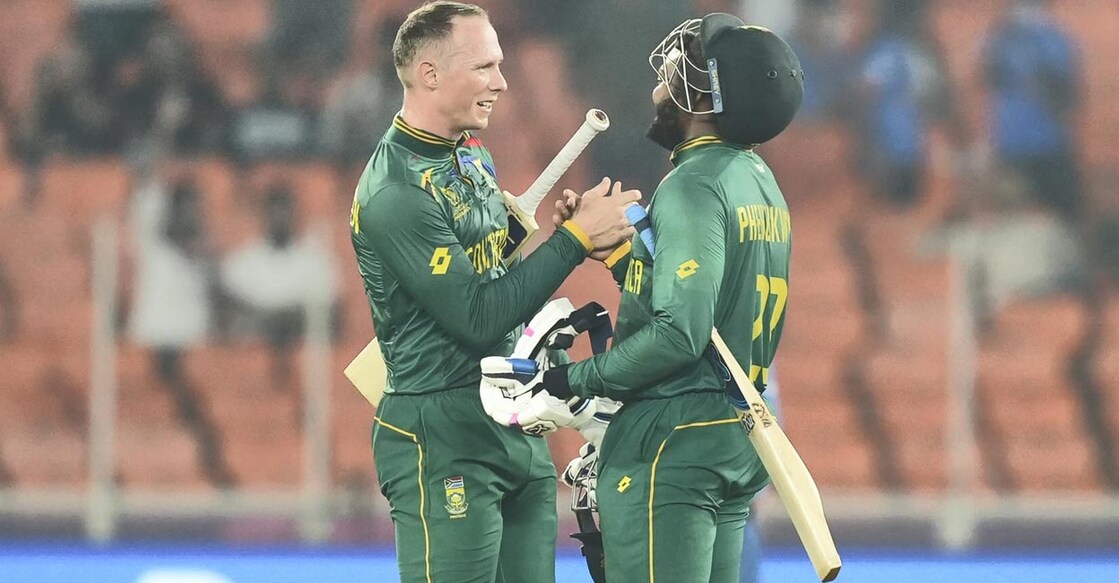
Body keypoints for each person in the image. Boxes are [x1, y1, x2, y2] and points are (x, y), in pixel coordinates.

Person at [481, 14, 804, 583]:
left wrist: (569, 381)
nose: (668, 73)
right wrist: (619, 258)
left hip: (674, 442)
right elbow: (708, 315)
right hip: (735, 435)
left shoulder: (693, 183)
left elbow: (680, 334)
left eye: (686, 64)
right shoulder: (758, 180)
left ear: (708, 96)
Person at [348, 3, 640, 582]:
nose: (501, 82)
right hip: (442, 432)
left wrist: (562, 232)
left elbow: (494, 277)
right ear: (430, 74)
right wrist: (575, 241)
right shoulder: (394, 191)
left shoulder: (472, 155)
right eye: (484, 66)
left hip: (514, 421)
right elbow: (479, 316)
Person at [981, 0, 1083, 219]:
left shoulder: (998, 39)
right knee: (1063, 219)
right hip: (1047, 145)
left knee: (1011, 220)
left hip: (1012, 146)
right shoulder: (1055, 39)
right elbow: (1070, 98)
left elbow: (986, 77)